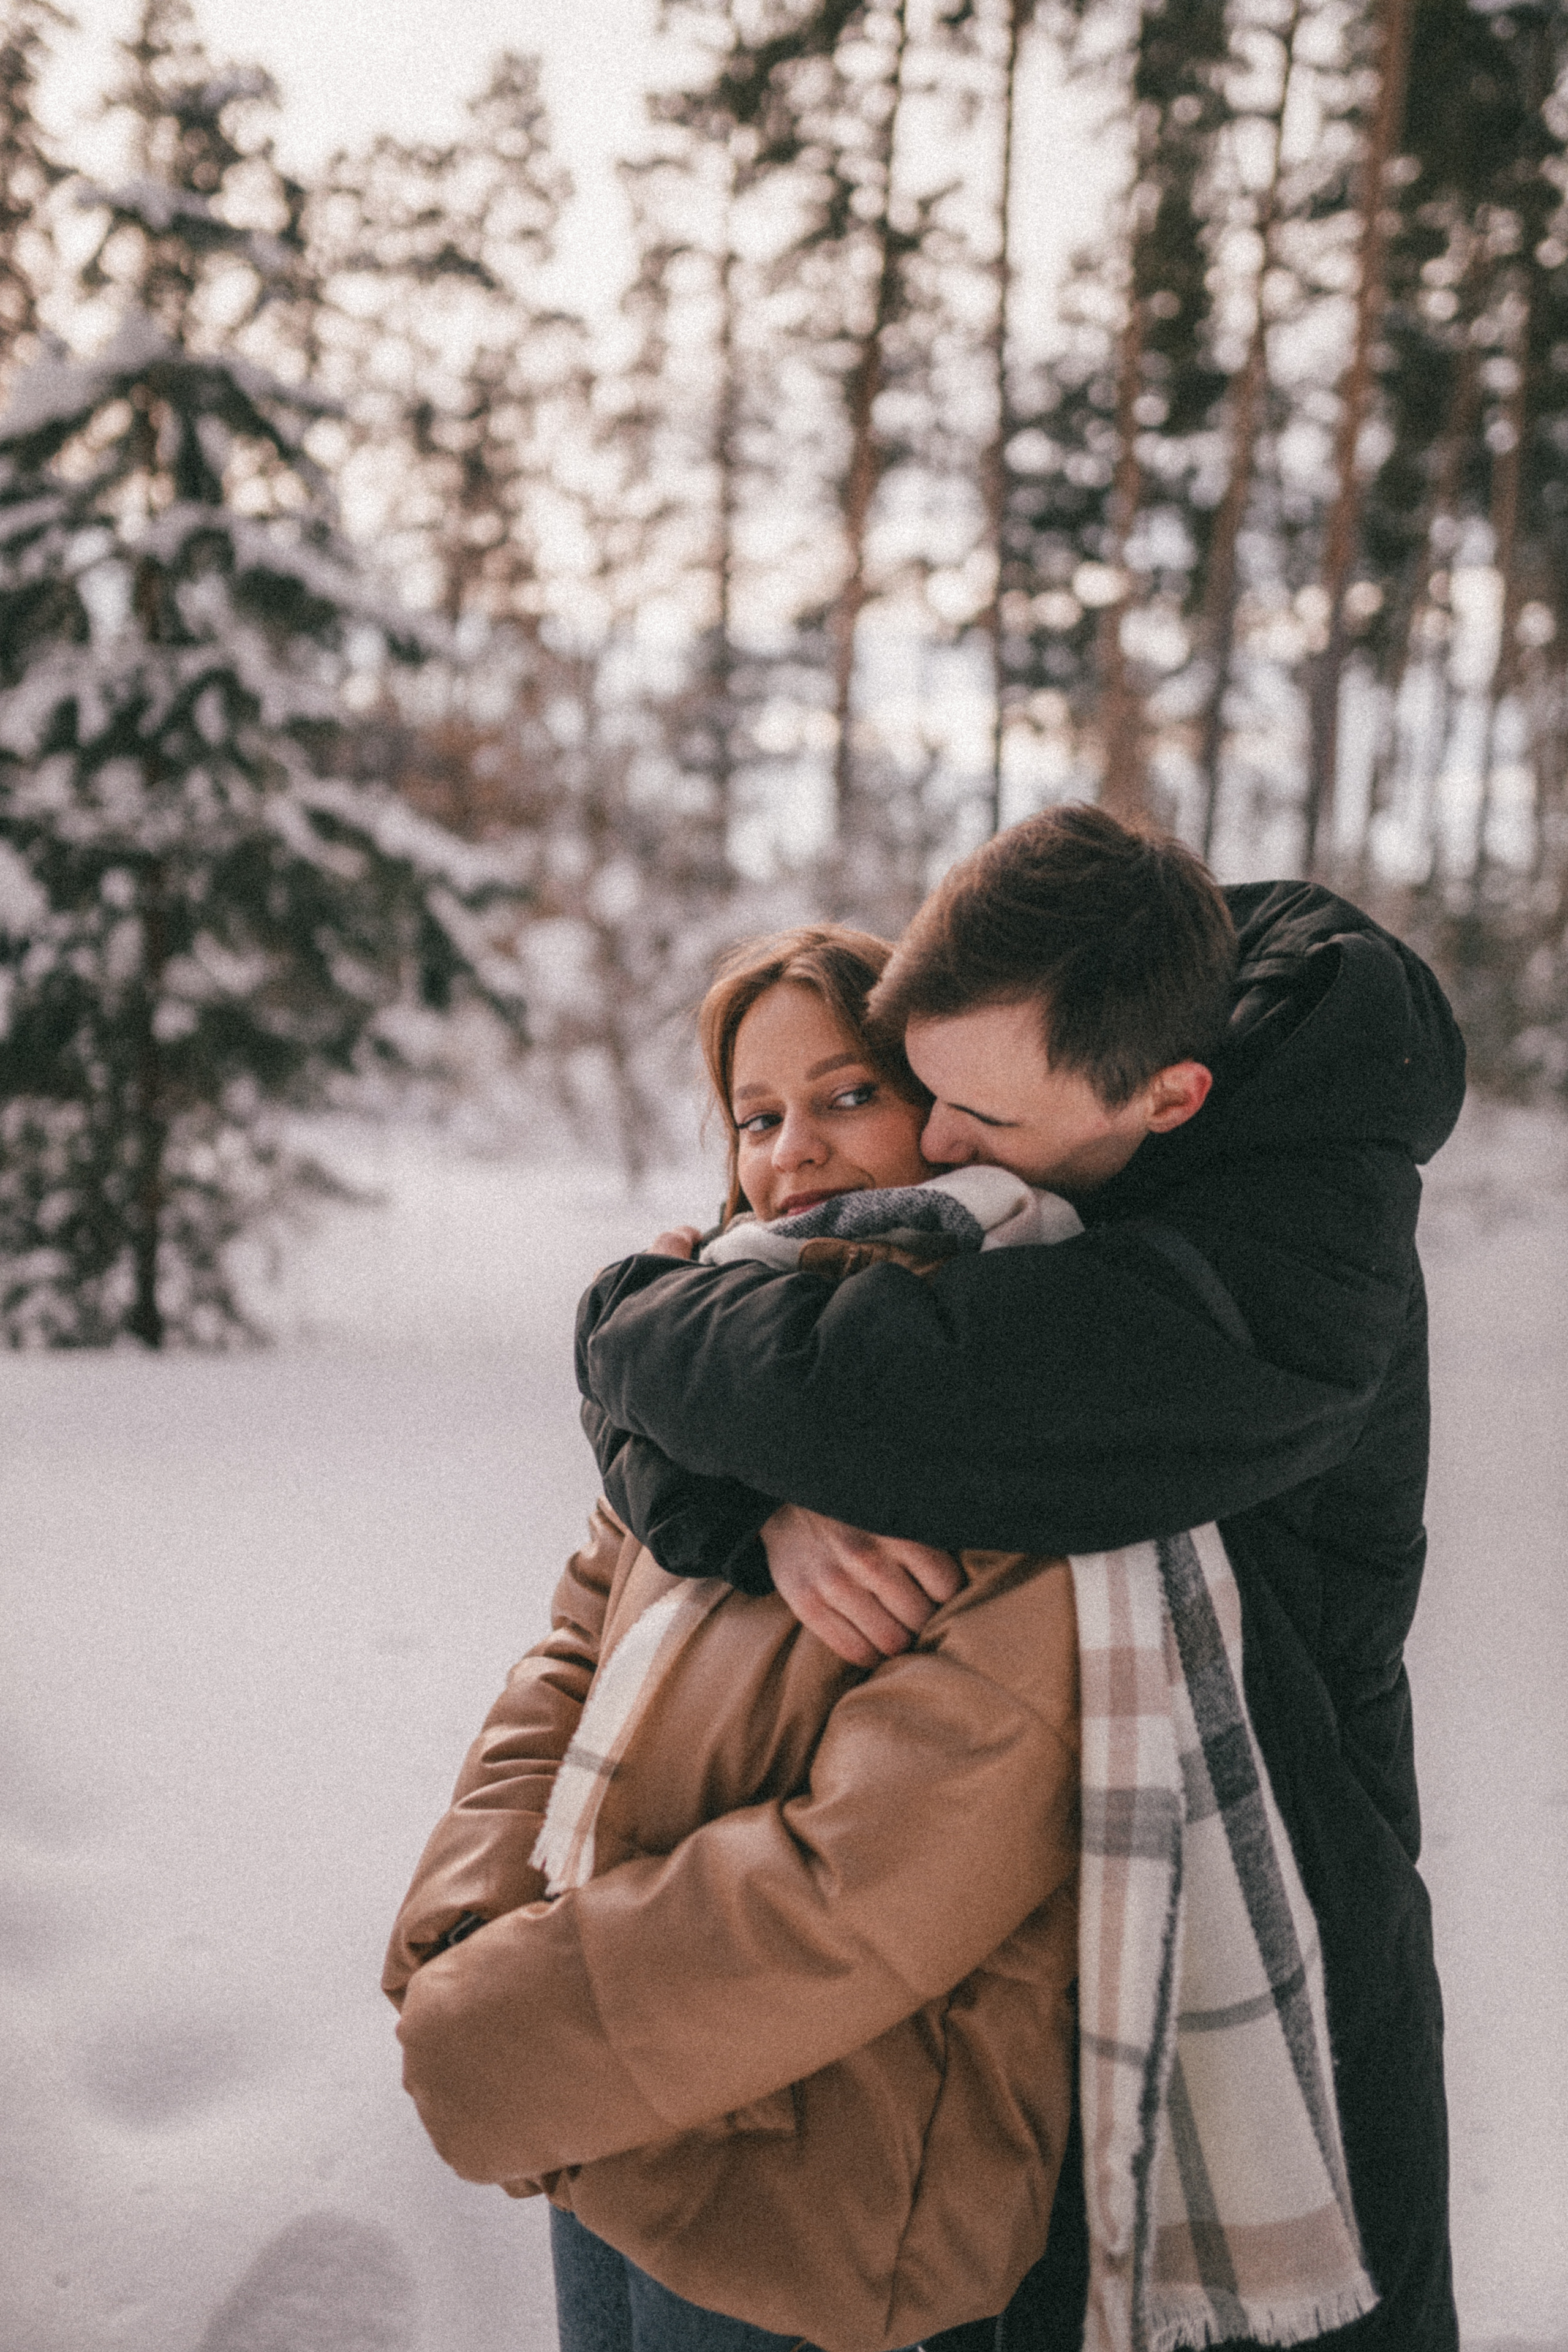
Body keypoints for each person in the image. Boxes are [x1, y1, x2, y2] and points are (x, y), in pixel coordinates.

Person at [576, 807, 1467, 2352]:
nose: (929, 1149)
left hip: (1271, 1922)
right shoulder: (1085, 1111)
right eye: (918, 1091)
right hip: (1034, 1964)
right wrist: (734, 1501)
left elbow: (874, 1397)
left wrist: (624, 1328)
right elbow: (738, 1389)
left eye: (971, 1113)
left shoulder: (1284, 1274)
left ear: (1170, 1095)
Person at [385, 929, 1087, 2352]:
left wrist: (506, 2023)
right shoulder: (710, 1382)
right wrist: (465, 1926)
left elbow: (873, 1880)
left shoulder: (1021, 1405)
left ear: (942, 1106)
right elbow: (569, 1661)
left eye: (844, 1098)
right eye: (756, 1117)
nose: (793, 1154)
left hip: (821, 2201)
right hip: (607, 2119)